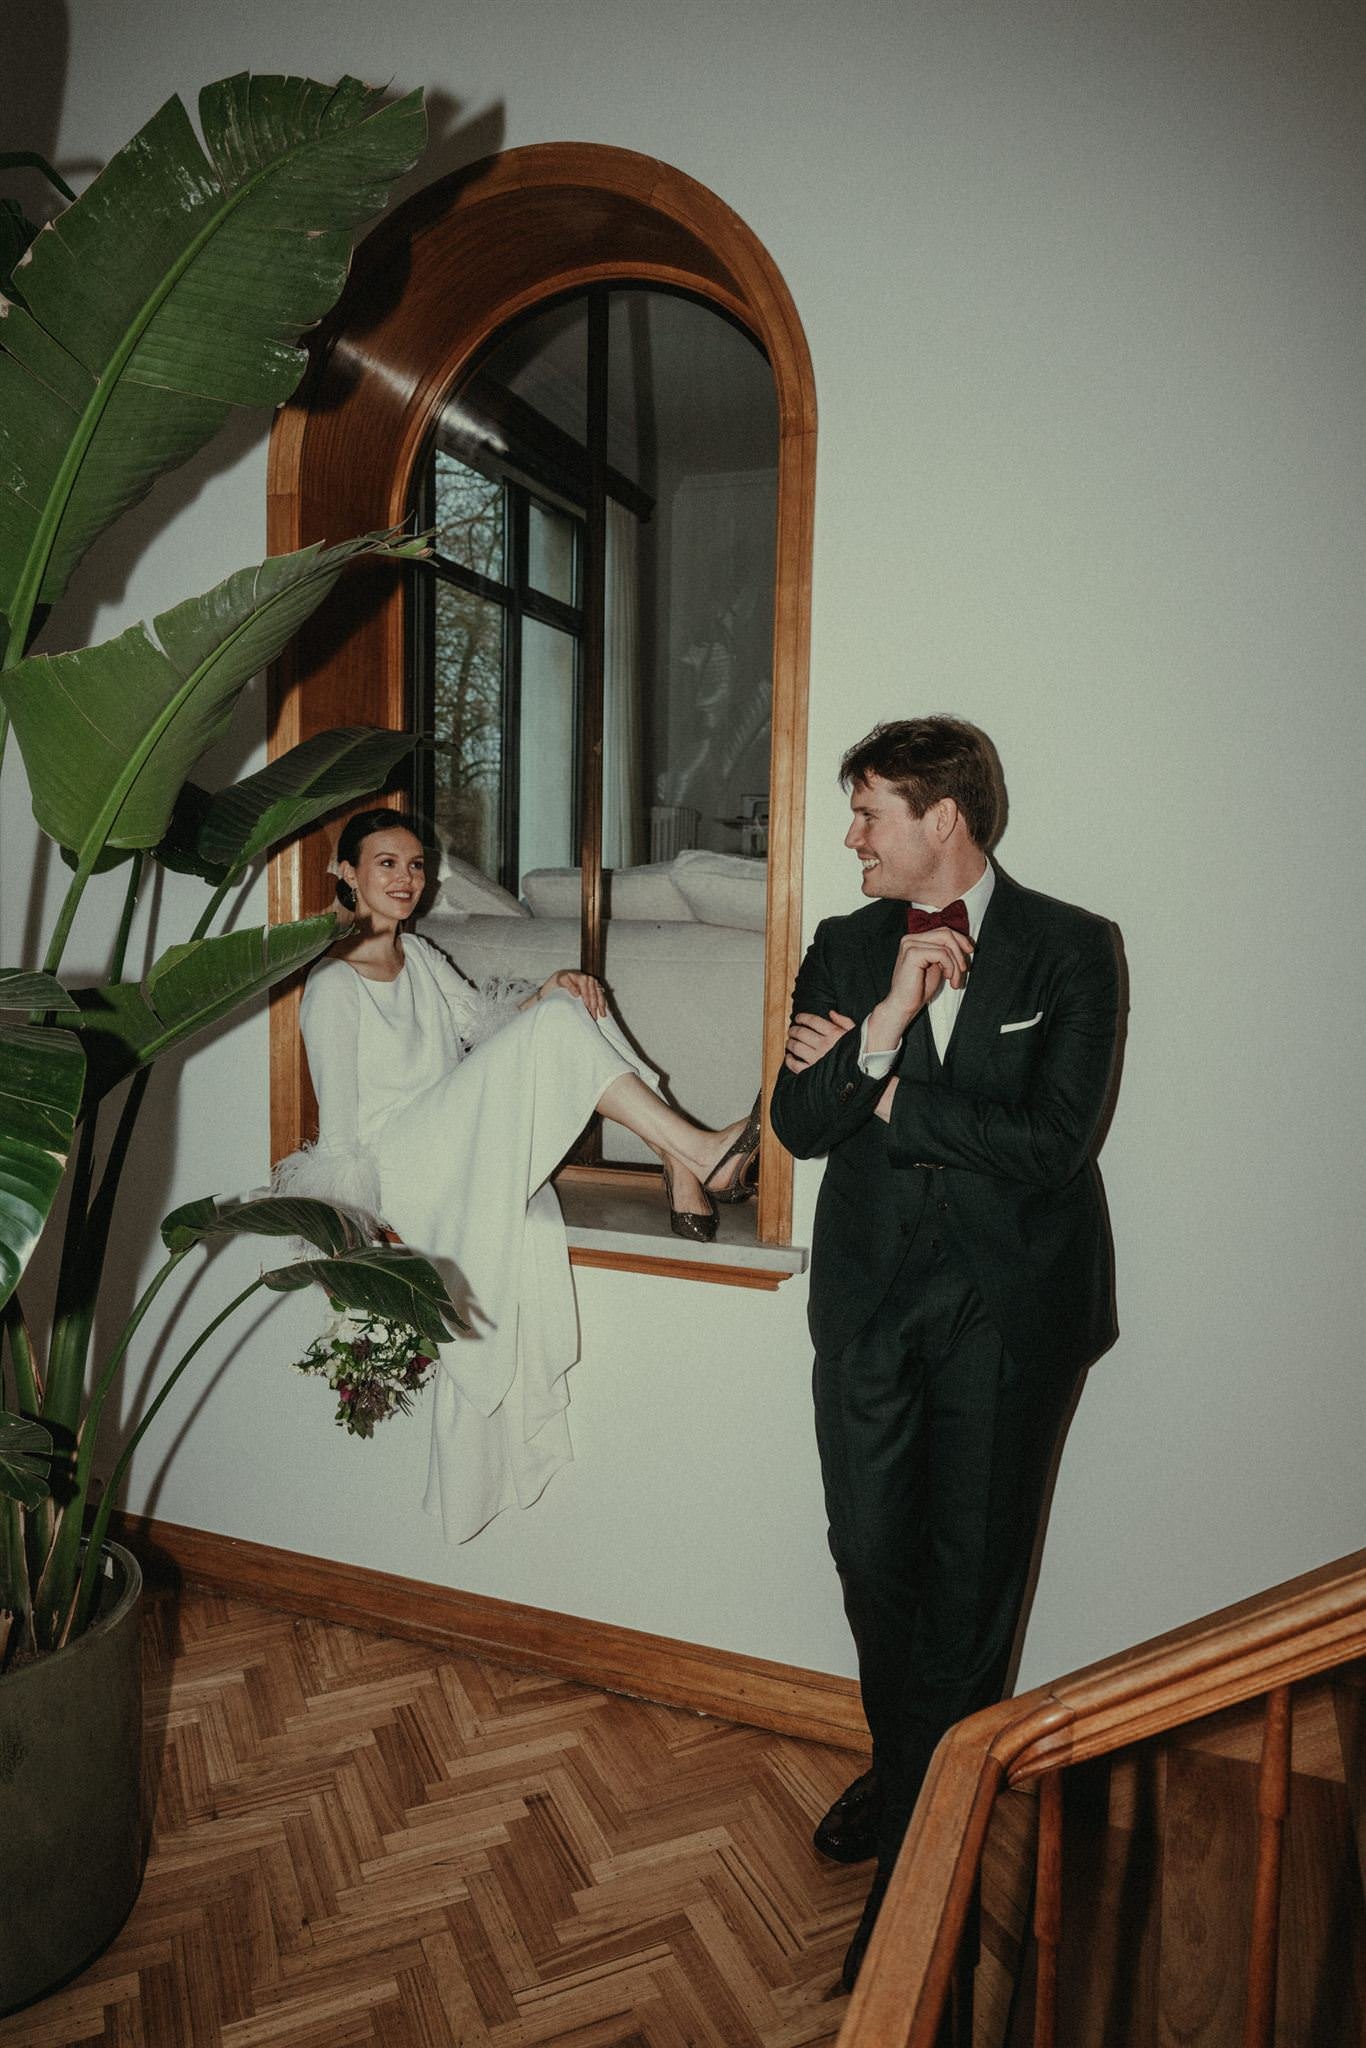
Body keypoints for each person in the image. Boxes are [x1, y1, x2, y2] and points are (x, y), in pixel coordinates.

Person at [769, 718, 1120, 1990]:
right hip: (871, 1304)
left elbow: (1054, 1143)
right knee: (872, 1560)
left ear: (944, 819)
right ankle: (911, 1760)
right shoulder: (843, 943)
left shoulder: (1072, 946)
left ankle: (916, 1875)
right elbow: (796, 1120)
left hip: (1006, 1313)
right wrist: (883, 1023)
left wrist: (887, 1088)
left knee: (971, 1587)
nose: (850, 835)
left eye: (870, 811)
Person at [275, 810, 760, 1541]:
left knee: (574, 999)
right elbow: (342, 1137)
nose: (406, 879)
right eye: (386, 864)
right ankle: (694, 1153)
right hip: (405, 1162)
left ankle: (682, 1159)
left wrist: (551, 988)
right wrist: (356, 1253)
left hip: (450, 1136)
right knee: (560, 1019)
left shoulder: (420, 955)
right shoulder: (332, 987)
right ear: (347, 874)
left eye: (415, 865)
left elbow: (483, 1025)